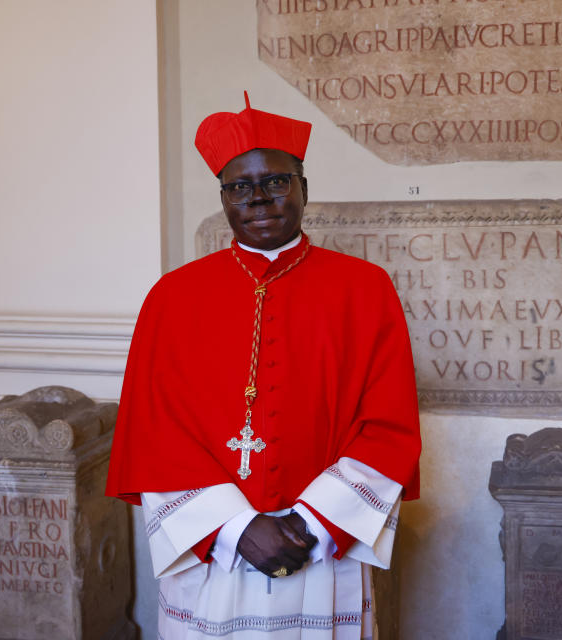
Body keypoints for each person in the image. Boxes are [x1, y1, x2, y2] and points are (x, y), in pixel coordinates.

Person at [106, 92, 421, 640]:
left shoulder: (364, 290)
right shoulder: (173, 297)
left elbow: (389, 423)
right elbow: (153, 431)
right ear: (224, 198)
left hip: (323, 547)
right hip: (217, 551)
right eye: (240, 187)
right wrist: (237, 528)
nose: (259, 198)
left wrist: (313, 522)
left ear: (303, 189)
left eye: (276, 182)